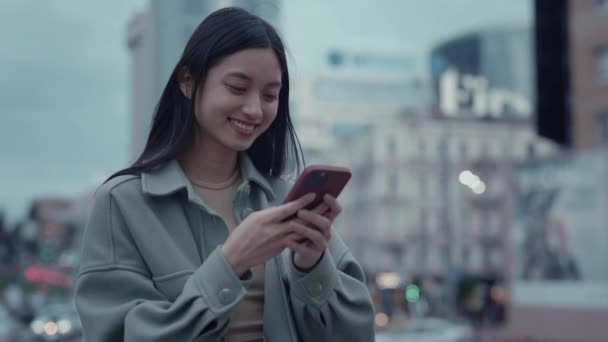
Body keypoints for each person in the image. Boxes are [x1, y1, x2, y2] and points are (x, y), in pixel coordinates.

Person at [74, 7, 375, 342]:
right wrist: (232, 262)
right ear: (188, 82)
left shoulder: (283, 200)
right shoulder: (122, 203)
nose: (254, 109)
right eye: (236, 87)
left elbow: (357, 333)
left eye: (270, 95)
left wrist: (312, 266)